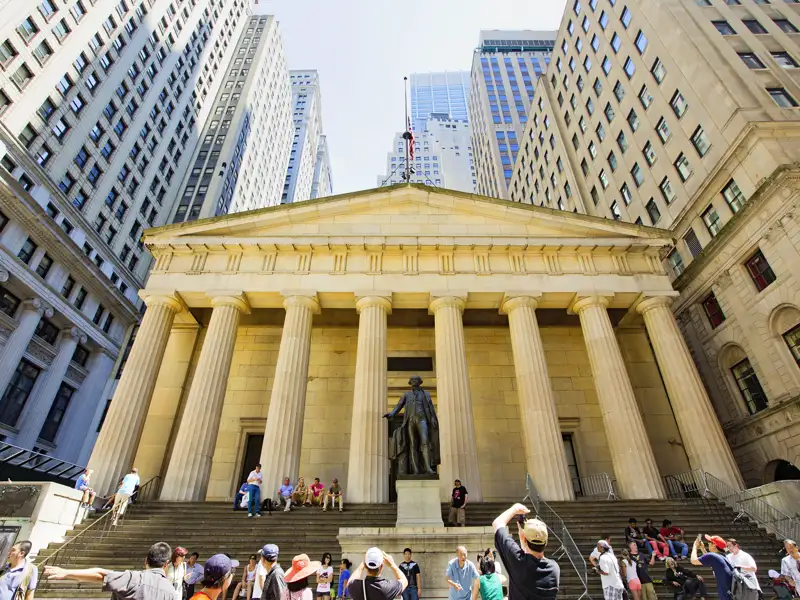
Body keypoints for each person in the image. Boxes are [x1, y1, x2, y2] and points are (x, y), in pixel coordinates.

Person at [44, 541, 175, 600]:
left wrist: (67, 572)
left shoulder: (134, 579)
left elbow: (100, 573)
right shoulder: (171, 592)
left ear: (146, 561)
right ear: (166, 564)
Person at [492, 503, 559, 600]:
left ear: (524, 539)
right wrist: (524, 542)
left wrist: (515, 509)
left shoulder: (518, 561)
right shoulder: (554, 569)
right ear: (546, 542)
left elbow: (497, 524)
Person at [691, 535, 732, 600]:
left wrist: (695, 546)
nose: (708, 543)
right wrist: (702, 548)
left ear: (714, 545)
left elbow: (693, 561)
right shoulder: (723, 556)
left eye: (710, 542)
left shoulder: (712, 556)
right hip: (729, 594)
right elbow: (710, 561)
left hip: (725, 596)